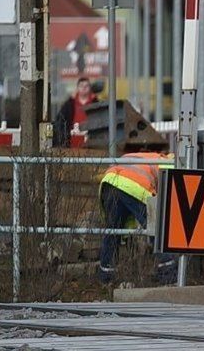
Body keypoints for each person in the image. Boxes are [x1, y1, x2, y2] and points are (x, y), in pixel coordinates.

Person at [97, 150, 174, 283]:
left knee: (113, 230)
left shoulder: (147, 156)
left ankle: (106, 274)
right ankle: (168, 273)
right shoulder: (169, 163)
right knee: (158, 227)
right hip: (133, 185)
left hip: (109, 182)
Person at [54, 77, 98, 146]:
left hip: (92, 146)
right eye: (81, 86)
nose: (84, 88)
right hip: (71, 146)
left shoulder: (96, 104)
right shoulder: (69, 104)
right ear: (77, 88)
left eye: (86, 86)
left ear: (90, 88)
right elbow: (60, 121)